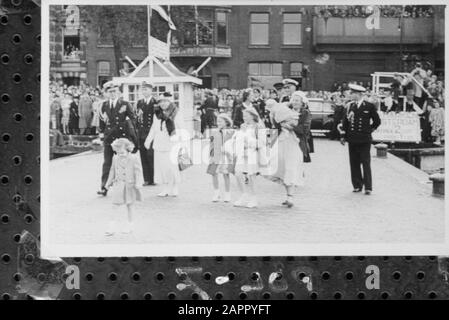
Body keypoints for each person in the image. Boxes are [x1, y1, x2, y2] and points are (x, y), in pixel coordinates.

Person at [340, 84, 381, 195]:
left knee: (365, 162)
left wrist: (370, 130)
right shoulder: (349, 106)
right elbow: (345, 122)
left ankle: (368, 187)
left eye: (352, 93)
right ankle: (357, 185)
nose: (351, 95)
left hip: (364, 139)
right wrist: (343, 136)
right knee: (354, 163)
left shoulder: (369, 106)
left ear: (358, 94)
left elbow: (377, 121)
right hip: (352, 138)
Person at [97, 82, 137, 196]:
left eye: (114, 91)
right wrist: (101, 135)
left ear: (118, 92)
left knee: (124, 163)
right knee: (107, 163)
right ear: (106, 93)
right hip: (109, 137)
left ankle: (128, 187)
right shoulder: (103, 106)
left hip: (122, 138)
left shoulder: (124, 104)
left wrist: (130, 137)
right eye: (110, 92)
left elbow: (133, 120)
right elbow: (101, 123)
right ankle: (104, 187)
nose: (113, 94)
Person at [144, 92, 184, 197]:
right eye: (161, 101)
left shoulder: (176, 113)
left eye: (165, 101)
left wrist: (181, 144)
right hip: (159, 143)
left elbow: (181, 128)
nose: (163, 104)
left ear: (170, 101)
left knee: (172, 167)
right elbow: (154, 128)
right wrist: (148, 140)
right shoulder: (156, 114)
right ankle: (165, 188)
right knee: (162, 168)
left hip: (172, 144)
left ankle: (175, 187)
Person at [264, 105, 304, 208]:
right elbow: (272, 134)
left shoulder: (294, 122)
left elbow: (302, 131)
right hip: (281, 146)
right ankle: (289, 196)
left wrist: (289, 126)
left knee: (290, 169)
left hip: (291, 147)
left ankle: (290, 197)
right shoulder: (277, 126)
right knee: (283, 169)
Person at [104, 138, 143, 236]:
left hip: (130, 185)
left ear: (128, 149)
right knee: (114, 206)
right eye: (117, 152)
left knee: (129, 206)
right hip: (118, 185)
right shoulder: (115, 158)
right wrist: (108, 183)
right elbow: (112, 170)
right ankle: (111, 227)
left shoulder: (134, 158)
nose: (119, 155)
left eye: (122, 152)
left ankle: (130, 225)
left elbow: (138, 172)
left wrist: (138, 183)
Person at [232, 108, 265, 208]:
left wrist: (249, 142)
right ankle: (244, 195)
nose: (244, 117)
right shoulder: (243, 126)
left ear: (252, 115)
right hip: (242, 153)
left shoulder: (258, 127)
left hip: (252, 153)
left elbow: (262, 142)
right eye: (243, 116)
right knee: (238, 173)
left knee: (251, 176)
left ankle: (254, 198)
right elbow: (237, 138)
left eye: (246, 115)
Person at [207, 113, 235, 202]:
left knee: (225, 174)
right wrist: (211, 154)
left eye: (220, 121)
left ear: (226, 122)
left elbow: (233, 145)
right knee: (214, 174)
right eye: (217, 121)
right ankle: (216, 193)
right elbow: (211, 144)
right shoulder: (214, 132)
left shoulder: (231, 132)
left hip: (226, 156)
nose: (218, 122)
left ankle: (227, 193)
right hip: (215, 155)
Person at [136, 82, 156, 186]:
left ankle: (152, 178)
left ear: (151, 90)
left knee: (150, 155)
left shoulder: (155, 102)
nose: (144, 92)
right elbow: (138, 118)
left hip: (151, 132)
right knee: (143, 155)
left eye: (146, 89)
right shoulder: (140, 102)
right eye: (143, 90)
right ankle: (146, 179)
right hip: (142, 132)